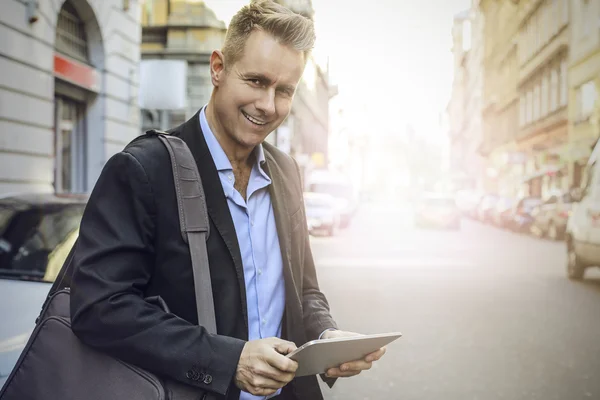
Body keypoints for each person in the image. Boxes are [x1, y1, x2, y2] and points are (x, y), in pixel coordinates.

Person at [69, 1, 385, 399]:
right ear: (218, 68)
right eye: (255, 81)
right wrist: (227, 361)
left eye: (283, 90)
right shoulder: (142, 169)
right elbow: (98, 307)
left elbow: (303, 290)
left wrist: (326, 335)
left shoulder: (286, 171)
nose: (268, 105)